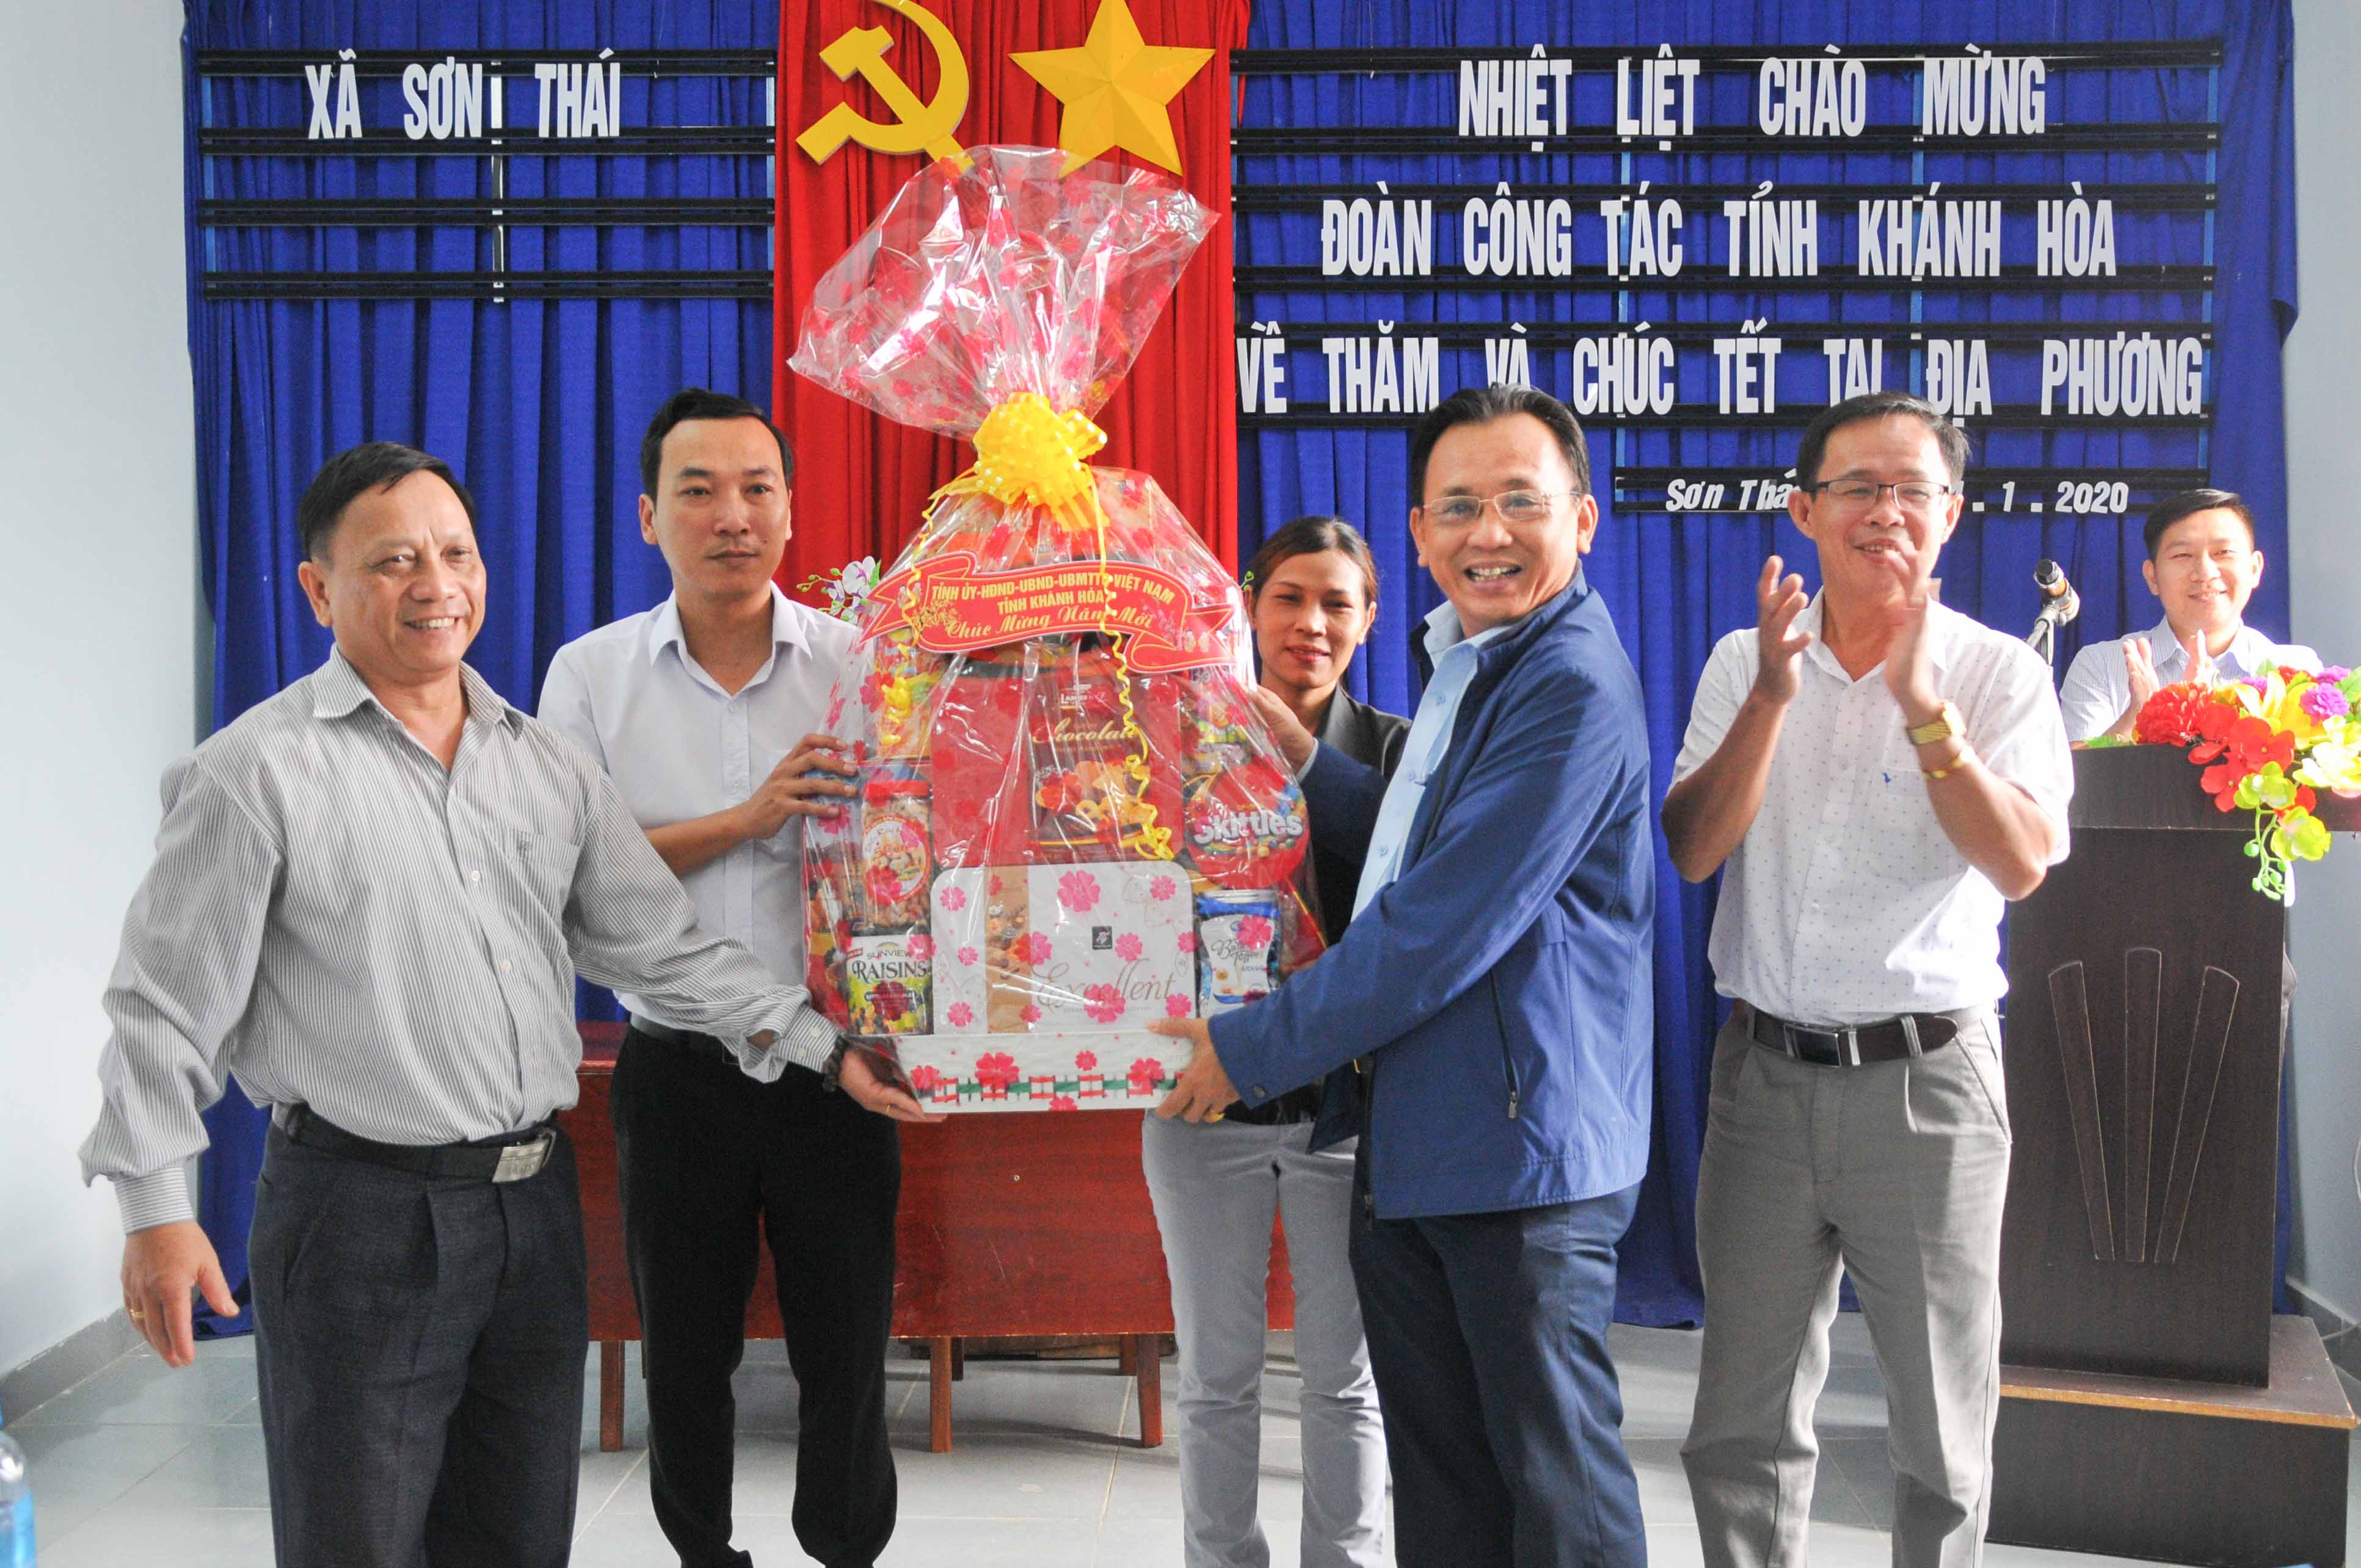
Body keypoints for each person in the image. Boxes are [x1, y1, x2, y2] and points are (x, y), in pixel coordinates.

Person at [78, 441, 925, 1568]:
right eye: (393, 561)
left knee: (517, 1537)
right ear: (319, 589)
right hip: (360, 1215)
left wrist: (827, 1049)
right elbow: (161, 1006)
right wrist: (154, 1208)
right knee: (358, 1542)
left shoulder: (541, 766)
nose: (435, 584)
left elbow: (659, 946)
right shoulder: (254, 774)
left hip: (532, 1211)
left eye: (456, 554)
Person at [1151, 385, 1656, 1568]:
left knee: (1556, 1494)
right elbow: (1414, 843)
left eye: (1520, 501)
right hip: (1427, 1144)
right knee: (1449, 1492)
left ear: (1583, 518)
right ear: (1421, 531)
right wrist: (1301, 761)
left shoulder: (1568, 684)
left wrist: (1248, 1048)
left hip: (1516, 1158)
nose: (1490, 532)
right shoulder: (1472, 663)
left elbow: (1436, 921)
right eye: (1459, 506)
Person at [1664, 393, 2073, 1568]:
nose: (1886, 510)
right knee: (1738, 1424)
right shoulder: (1745, 657)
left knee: (1941, 1436)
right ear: (1805, 510)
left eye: (1912, 489)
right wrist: (1770, 697)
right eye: (1858, 486)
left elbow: (2021, 863)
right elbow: (1693, 849)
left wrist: (1927, 714)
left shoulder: (1996, 672)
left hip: (1926, 1084)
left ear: (1952, 513)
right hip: (1763, 1074)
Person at [540, 389, 931, 1568]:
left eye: (757, 488)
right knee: (684, 1348)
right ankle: (701, 1552)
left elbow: (925, 849)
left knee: (847, 1349)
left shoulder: (861, 666)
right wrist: (747, 818)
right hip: (678, 1071)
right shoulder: (592, 675)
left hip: (836, 1070)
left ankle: (846, 1548)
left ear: (791, 509)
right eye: (699, 490)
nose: (732, 516)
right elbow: (567, 875)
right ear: (648, 515)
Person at [1141, 516, 1403, 1568]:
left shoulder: (1400, 753)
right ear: (1247, 605)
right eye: (1289, 597)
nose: (1311, 623)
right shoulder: (1177, 739)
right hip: (1203, 1102)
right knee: (1215, 1377)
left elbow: (1413, 893)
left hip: (1350, 1110)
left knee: (1345, 1380)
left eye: (1338, 602)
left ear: (1369, 619)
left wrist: (1304, 760)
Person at [2057, 487, 2319, 743]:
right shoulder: (2101, 666)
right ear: (2152, 577)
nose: (2205, 572)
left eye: (2223, 553)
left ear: (2254, 569)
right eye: (2183, 555)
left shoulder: (2296, 669)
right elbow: (2073, 771)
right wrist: (2140, 716)